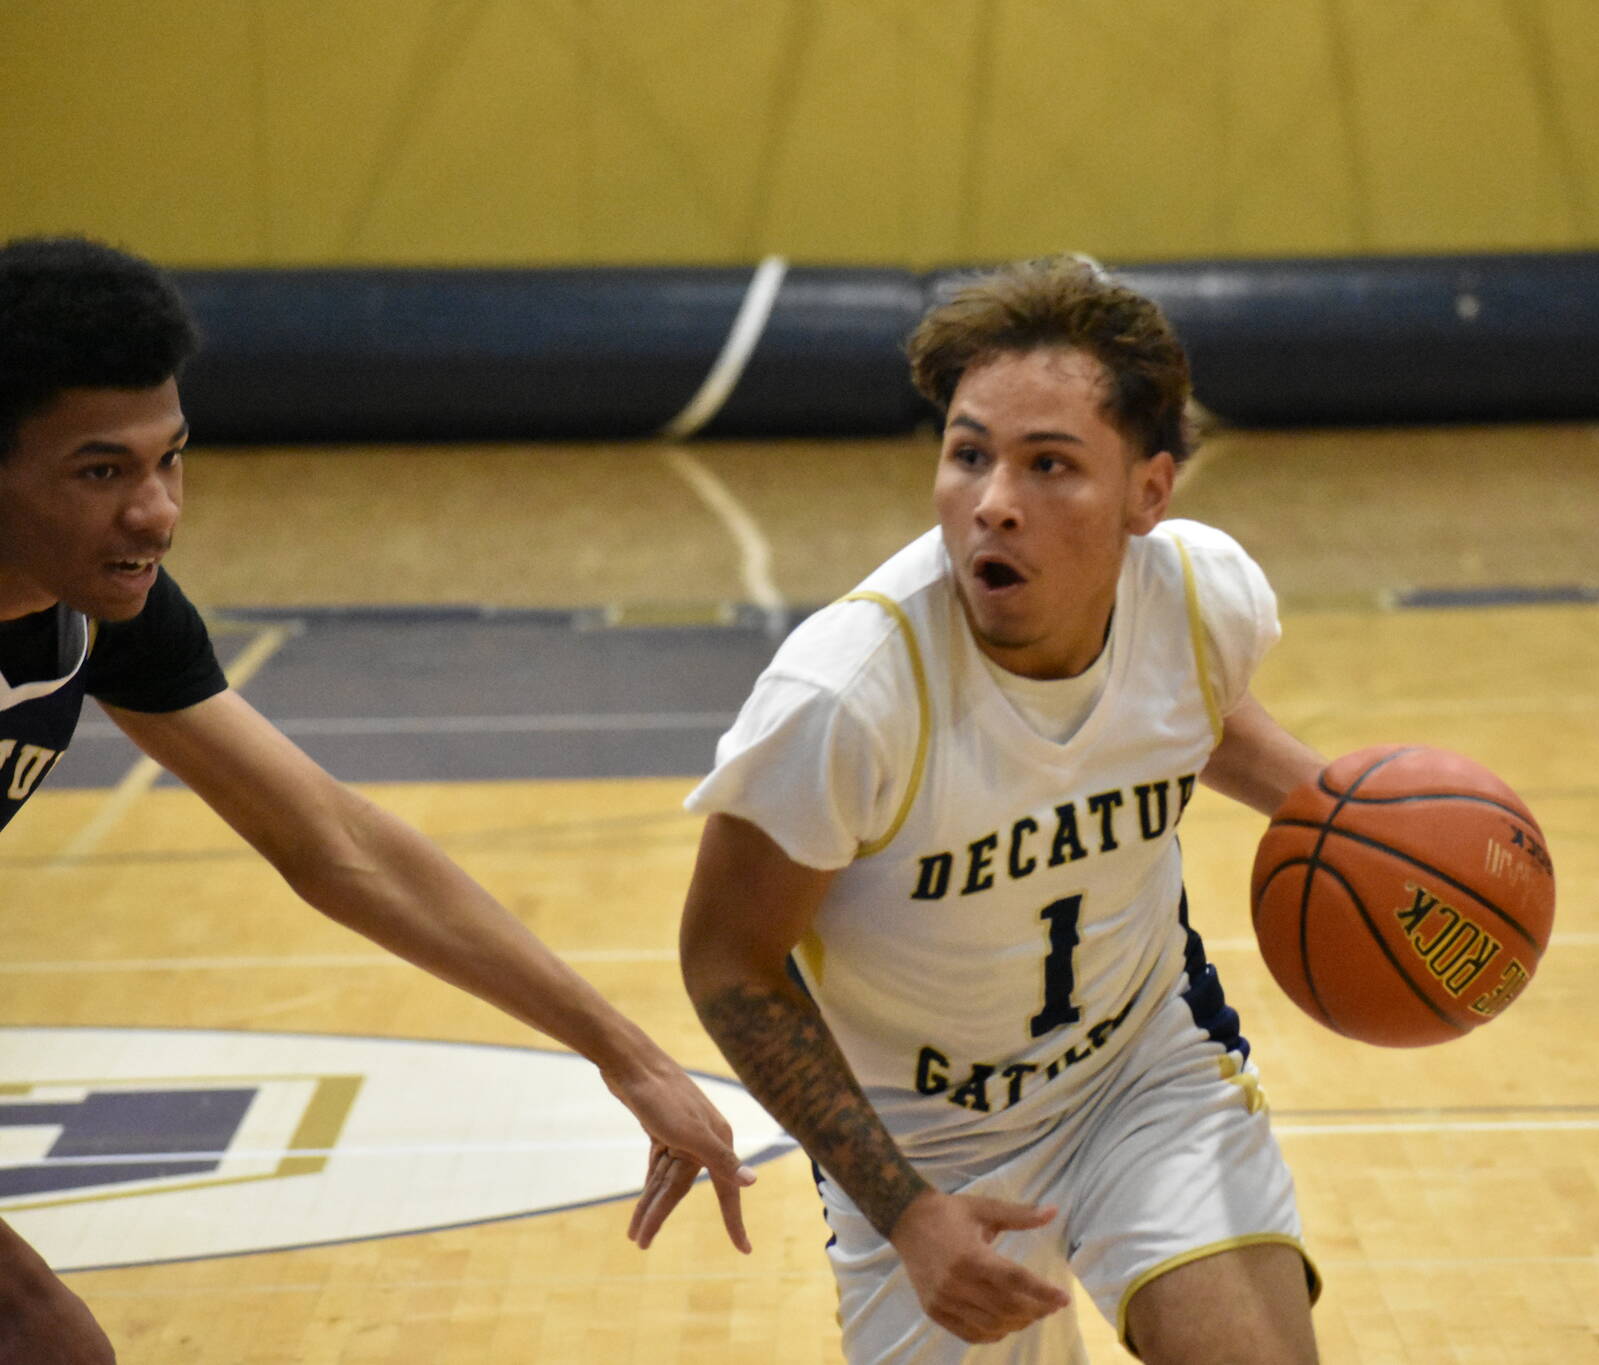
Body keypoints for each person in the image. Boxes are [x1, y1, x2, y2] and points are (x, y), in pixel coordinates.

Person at [0, 235, 753, 1365]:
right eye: (101, 472)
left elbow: (334, 842)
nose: (155, 514)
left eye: (172, 461)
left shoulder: (107, 614)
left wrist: (625, 1053)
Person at [659, 257, 1325, 1362]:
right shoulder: (844, 697)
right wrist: (907, 1210)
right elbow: (729, 963)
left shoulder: (1203, 598)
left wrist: (1347, 818)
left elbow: (1190, 714)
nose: (993, 502)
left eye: (1048, 464)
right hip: (920, 1146)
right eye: (967, 455)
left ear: (1147, 494)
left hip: (1136, 1073)